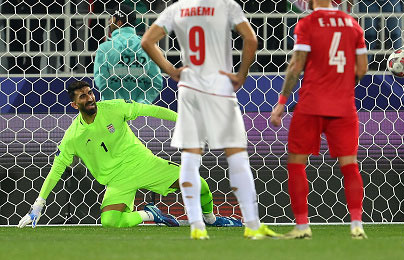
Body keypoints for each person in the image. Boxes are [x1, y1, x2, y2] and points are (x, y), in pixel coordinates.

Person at [141, 0, 277, 240]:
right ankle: (252, 225)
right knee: (236, 155)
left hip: (190, 87)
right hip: (219, 86)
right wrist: (241, 75)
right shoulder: (227, 5)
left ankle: (196, 226)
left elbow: (147, 41)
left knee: (190, 156)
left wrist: (170, 69)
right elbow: (251, 39)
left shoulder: (179, 7)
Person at [17, 80, 241, 228]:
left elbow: (149, 110)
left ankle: (210, 219)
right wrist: (38, 204)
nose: (90, 97)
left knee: (198, 184)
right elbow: (57, 170)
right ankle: (151, 215)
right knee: (110, 221)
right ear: (75, 105)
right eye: (83, 96)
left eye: (89, 92)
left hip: (142, 163)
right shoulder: (72, 137)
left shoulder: (113, 108)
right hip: (116, 180)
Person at [270, 0, 369, 239]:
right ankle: (357, 224)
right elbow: (362, 68)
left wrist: (281, 102)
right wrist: (341, 84)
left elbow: (296, 65)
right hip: (344, 107)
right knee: (349, 164)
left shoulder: (307, 24)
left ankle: (302, 226)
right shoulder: (353, 25)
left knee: (296, 163)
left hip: (311, 104)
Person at [93, 5, 163, 104]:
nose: (109, 21)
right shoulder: (148, 47)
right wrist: (141, 104)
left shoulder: (105, 48)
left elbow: (101, 80)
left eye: (112, 18)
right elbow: (156, 82)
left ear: (119, 22)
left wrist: (117, 103)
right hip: (140, 112)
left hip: (113, 110)